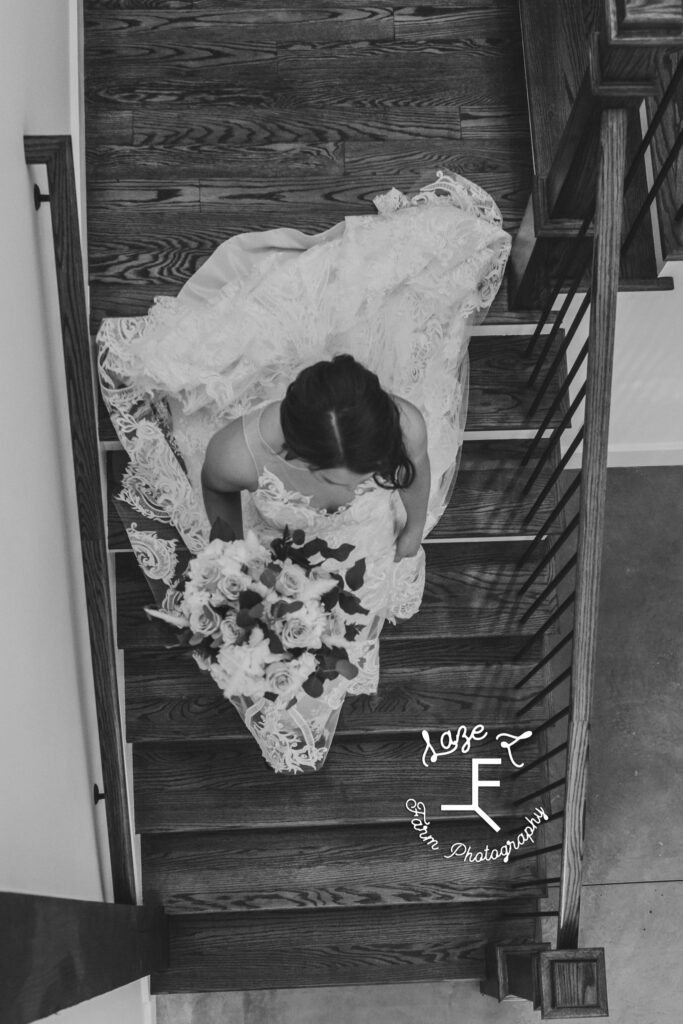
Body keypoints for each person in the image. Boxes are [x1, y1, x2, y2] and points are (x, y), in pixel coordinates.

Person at [97, 169, 511, 772]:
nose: (349, 489)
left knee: (361, 593)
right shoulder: (236, 453)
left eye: (362, 473)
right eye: (340, 475)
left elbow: (414, 476)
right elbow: (215, 490)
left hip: (363, 530)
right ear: (293, 453)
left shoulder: (408, 426)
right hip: (280, 536)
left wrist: (412, 533)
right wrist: (233, 558)